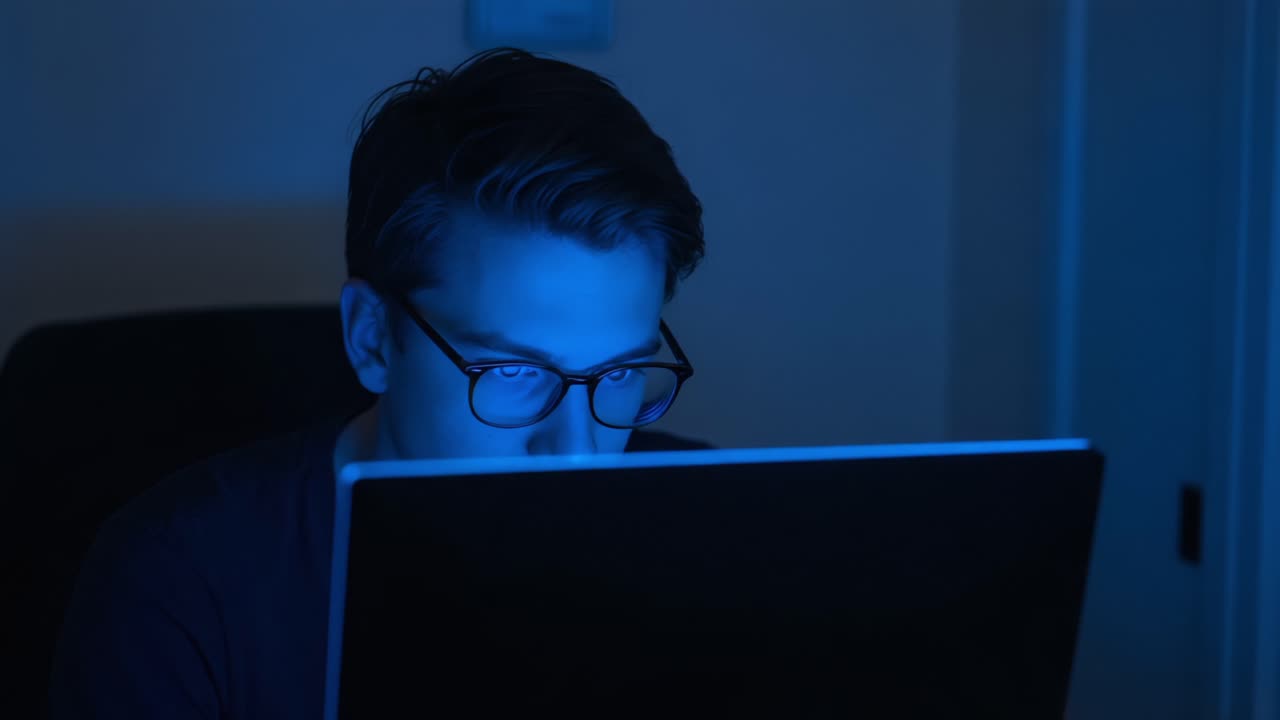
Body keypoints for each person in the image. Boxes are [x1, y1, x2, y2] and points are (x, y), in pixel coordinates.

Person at [49, 48, 708, 718]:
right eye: (511, 371)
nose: (577, 451)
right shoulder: (178, 582)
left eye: (622, 372)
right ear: (371, 338)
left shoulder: (726, 533)